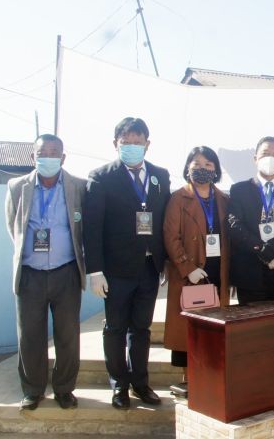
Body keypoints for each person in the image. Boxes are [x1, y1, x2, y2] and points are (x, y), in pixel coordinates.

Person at [83, 117, 171, 409]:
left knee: (142, 329)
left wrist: (166, 262)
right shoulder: (101, 177)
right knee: (116, 328)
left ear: (148, 144)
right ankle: (118, 385)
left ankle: (140, 383)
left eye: (138, 142)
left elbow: (164, 223)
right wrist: (95, 271)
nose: (132, 147)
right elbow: (92, 228)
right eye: (126, 142)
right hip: (116, 270)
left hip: (149, 268)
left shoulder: (160, 175)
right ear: (115, 144)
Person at [5, 134, 86, 411]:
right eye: (43, 152)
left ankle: (64, 389)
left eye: (54, 153)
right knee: (30, 335)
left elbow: (82, 229)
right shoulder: (17, 187)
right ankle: (32, 390)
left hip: (66, 273)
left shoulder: (79, 187)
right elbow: (12, 226)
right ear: (33, 157)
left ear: (63, 158)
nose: (48, 157)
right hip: (30, 274)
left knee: (68, 335)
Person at [163, 146, 230, 398]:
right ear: (188, 167)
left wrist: (230, 275)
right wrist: (186, 267)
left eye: (208, 164)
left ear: (216, 169)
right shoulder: (179, 198)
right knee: (189, 328)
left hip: (217, 269)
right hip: (191, 273)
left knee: (214, 326)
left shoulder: (223, 199)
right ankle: (188, 380)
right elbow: (171, 236)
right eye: (197, 163)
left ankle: (209, 378)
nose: (202, 169)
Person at [227, 137, 274, 304]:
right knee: (252, 329)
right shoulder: (239, 190)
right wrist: (261, 249)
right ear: (255, 158)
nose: (271, 158)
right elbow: (234, 224)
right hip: (250, 275)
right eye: (265, 153)